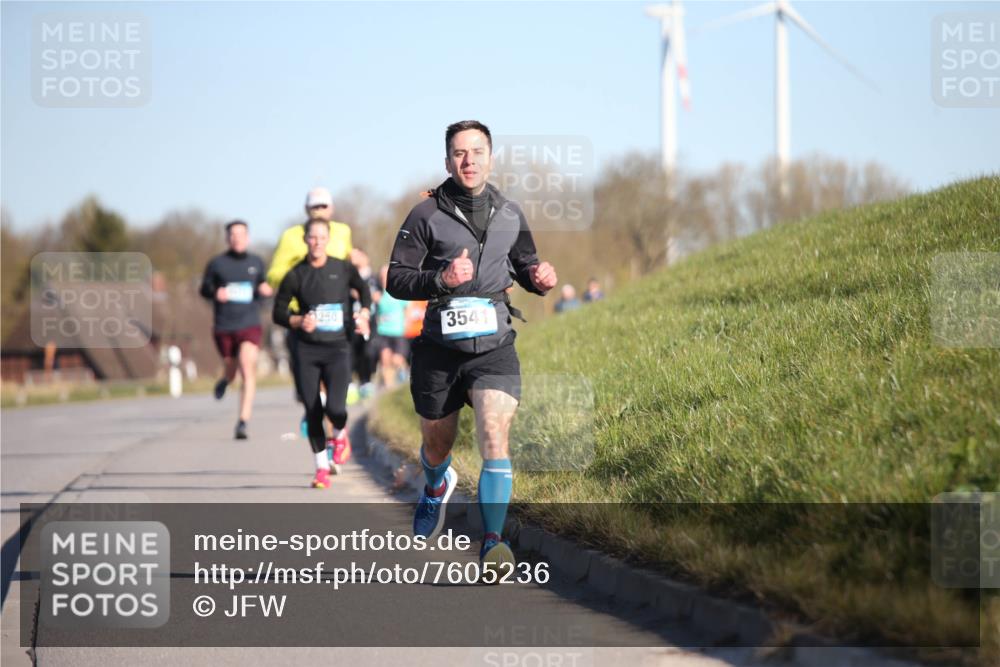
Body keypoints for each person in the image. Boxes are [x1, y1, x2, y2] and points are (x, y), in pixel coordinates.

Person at [386, 120, 557, 577]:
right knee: (437, 445)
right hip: (439, 350)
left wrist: (539, 279)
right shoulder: (424, 216)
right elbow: (396, 280)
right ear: (447, 162)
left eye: (477, 151)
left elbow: (525, 265)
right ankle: (436, 486)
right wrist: (440, 280)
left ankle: (493, 543)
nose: (469, 160)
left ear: (491, 158)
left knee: (494, 436)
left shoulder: (510, 212)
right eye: (460, 153)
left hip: (494, 346)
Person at [272, 219, 371, 488]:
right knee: (313, 408)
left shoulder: (341, 268)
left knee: (336, 408)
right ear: (305, 240)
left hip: (338, 347)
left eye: (321, 237)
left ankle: (339, 434)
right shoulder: (296, 274)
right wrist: (298, 320)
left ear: (328, 239)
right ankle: (321, 468)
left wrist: (363, 313)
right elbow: (278, 313)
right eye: (312, 237)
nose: (317, 242)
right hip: (306, 350)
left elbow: (364, 291)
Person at [267, 187, 353, 437]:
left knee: (334, 383)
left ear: (332, 208)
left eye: (324, 206)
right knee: (312, 389)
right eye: (314, 207)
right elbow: (273, 274)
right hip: (304, 317)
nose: (319, 211)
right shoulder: (292, 236)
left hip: (337, 317)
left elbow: (348, 270)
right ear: (306, 209)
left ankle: (334, 432)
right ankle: (322, 426)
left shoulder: (343, 232)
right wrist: (302, 274)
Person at [199, 220, 273, 439]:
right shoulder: (217, 264)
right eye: (233, 234)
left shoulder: (257, 262)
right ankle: (225, 380)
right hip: (224, 325)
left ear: (247, 238)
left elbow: (263, 289)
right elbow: (204, 289)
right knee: (231, 369)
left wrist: (265, 291)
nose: (237, 238)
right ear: (227, 238)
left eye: (241, 234)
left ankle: (243, 421)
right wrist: (215, 293)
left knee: (246, 366)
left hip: (249, 323)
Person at [348, 248, 380, 400]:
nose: (353, 259)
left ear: (364, 257)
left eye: (356, 255)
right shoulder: (348, 278)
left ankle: (366, 381)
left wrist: (374, 296)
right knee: (351, 352)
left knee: (368, 352)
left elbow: (383, 294)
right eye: (351, 257)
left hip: (370, 321)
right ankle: (351, 383)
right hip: (352, 321)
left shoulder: (374, 277)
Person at [372, 264, 409, 389]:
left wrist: (406, 323)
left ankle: (405, 375)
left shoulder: (398, 292)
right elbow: (375, 313)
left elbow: (407, 309)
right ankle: (389, 389)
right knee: (385, 360)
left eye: (386, 275)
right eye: (382, 276)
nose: (384, 278)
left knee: (397, 360)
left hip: (398, 331)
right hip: (383, 331)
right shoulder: (377, 295)